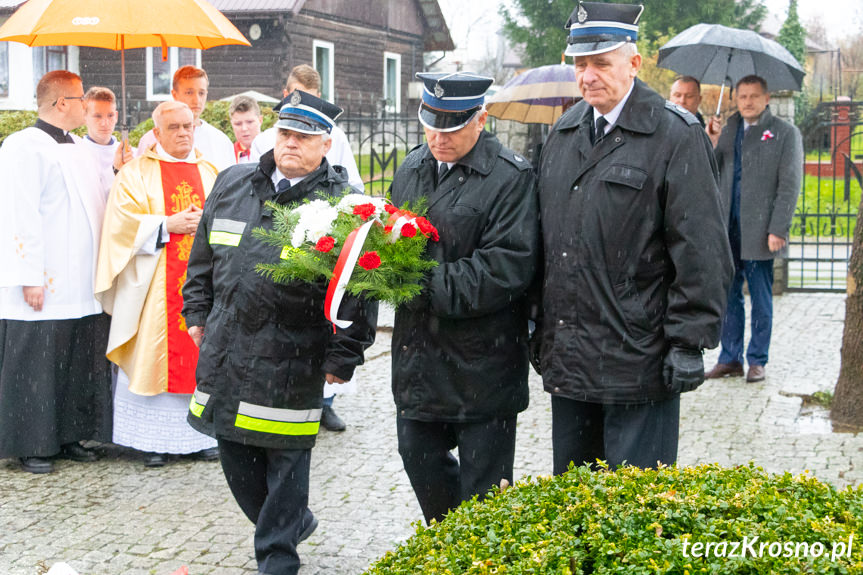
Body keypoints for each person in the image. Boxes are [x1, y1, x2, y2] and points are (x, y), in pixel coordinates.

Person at [183, 90, 377, 575]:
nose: (291, 144)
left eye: (304, 137)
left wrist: (344, 356)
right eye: (286, 133)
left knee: (286, 462)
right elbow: (203, 260)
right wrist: (196, 312)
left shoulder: (346, 206)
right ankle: (292, 522)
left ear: (326, 144)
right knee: (234, 454)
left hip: (294, 354)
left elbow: (361, 292)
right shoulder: (231, 183)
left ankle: (278, 559)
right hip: (227, 345)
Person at [535, 2, 733, 474]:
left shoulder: (675, 134)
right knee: (573, 510)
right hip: (570, 361)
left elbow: (701, 247)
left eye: (601, 63)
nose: (588, 76)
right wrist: (538, 323)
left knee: (634, 519)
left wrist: (689, 341)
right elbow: (546, 242)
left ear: (634, 63)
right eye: (580, 64)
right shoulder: (563, 134)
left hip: (640, 359)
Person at [388, 72, 539, 524]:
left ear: (481, 118)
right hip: (419, 357)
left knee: (485, 494)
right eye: (431, 125)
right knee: (418, 455)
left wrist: (418, 285)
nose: (438, 137)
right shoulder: (412, 167)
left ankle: (475, 554)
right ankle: (452, 543)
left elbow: (506, 267)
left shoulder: (511, 177)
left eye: (451, 127)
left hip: (483, 363)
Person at [95, 101, 220, 467]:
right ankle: (152, 441)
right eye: (174, 128)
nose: (183, 133)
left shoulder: (211, 172)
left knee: (203, 351)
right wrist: (166, 225)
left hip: (203, 284)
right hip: (154, 285)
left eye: (188, 126)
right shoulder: (135, 174)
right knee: (155, 353)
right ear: (158, 132)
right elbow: (119, 226)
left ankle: (199, 437)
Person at [0, 70, 112, 474]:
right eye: (81, 98)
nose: (87, 105)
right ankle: (32, 443)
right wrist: (28, 274)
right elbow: (19, 214)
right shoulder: (22, 147)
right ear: (61, 103)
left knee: (75, 359)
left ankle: (69, 435)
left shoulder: (79, 147)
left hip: (80, 281)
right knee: (38, 364)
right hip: (42, 281)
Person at [705, 75, 803, 383]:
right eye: (742, 96)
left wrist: (779, 229)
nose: (747, 102)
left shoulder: (785, 133)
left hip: (761, 231)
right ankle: (729, 358)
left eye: (753, 96)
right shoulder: (729, 126)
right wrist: (712, 141)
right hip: (727, 227)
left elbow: (789, 185)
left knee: (761, 297)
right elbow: (712, 168)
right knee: (729, 295)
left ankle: (757, 359)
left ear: (767, 98)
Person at [250, 64, 363, 192]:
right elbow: (252, 185)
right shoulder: (263, 140)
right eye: (299, 98)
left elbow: (353, 187)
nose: (291, 143)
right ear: (286, 94)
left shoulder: (335, 137)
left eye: (310, 99)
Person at [136, 66, 234, 171]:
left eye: (201, 93)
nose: (196, 100)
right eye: (189, 92)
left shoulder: (220, 141)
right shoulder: (151, 140)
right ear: (174, 94)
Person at [80, 86, 134, 199]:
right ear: (84, 117)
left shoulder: (129, 154)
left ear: (116, 116)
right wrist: (116, 170)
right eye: (97, 116)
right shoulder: (77, 153)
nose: (105, 123)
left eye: (110, 115)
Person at [229, 95, 263, 164]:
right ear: (231, 124)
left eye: (250, 122)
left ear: (260, 120)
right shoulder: (226, 155)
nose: (244, 128)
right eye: (238, 124)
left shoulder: (274, 151)